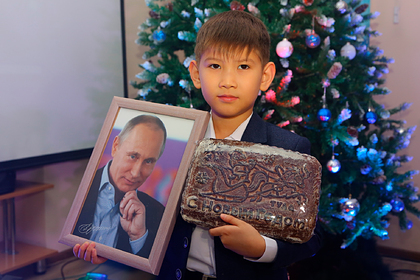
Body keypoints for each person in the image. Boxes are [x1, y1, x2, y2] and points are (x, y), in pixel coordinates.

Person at [74, 10, 323, 280]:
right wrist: (110, 249)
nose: (228, 80)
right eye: (215, 66)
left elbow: (311, 237)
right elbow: (153, 229)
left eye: (243, 67)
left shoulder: (289, 148)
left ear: (265, 76)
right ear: (195, 73)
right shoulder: (177, 144)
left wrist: (262, 247)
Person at [73, 114, 167, 259]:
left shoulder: (158, 212)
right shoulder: (77, 187)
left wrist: (137, 236)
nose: (136, 173)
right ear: (116, 146)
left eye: (148, 161)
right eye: (133, 156)